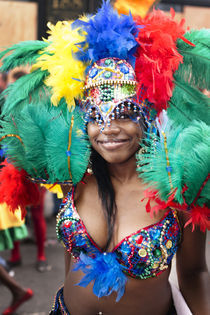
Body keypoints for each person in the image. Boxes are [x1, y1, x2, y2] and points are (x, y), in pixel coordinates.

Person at [0, 1, 209, 314]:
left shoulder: (179, 187)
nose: (108, 129)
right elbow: (72, 262)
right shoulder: (78, 177)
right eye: (96, 116)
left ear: (148, 114)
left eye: (125, 113)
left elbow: (194, 272)